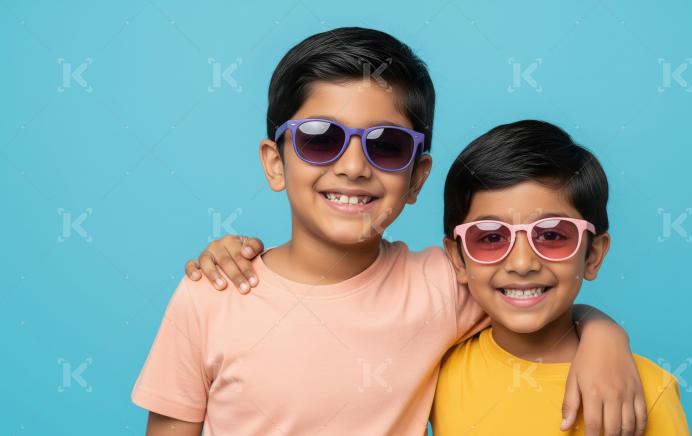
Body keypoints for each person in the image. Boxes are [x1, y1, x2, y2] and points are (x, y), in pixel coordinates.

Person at [135, 27, 645, 435]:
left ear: (417, 177)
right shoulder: (211, 295)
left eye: (387, 145)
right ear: (275, 163)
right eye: (320, 138)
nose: (354, 166)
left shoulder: (444, 284)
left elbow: (534, 286)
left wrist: (604, 337)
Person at [431, 120, 689, 435]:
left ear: (593, 255)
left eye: (552, 235)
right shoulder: (434, 369)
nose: (522, 263)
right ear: (458, 259)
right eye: (491, 237)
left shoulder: (644, 392)